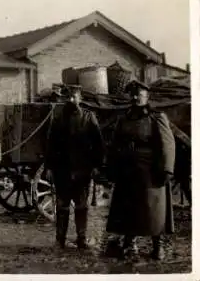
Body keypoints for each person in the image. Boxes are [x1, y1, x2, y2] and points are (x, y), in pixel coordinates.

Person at [105, 80, 175, 261]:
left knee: (154, 210)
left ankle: (158, 246)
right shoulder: (124, 119)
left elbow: (167, 144)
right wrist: (112, 168)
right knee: (128, 208)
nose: (135, 98)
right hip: (128, 171)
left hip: (150, 172)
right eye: (133, 95)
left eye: (139, 95)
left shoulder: (157, 117)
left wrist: (167, 169)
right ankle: (130, 244)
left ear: (147, 97)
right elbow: (115, 145)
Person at [45, 84, 105, 250]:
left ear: (80, 98)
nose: (71, 100)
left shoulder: (88, 117)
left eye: (74, 97)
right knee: (62, 206)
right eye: (68, 97)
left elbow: (98, 144)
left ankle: (81, 238)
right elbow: (50, 144)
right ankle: (60, 239)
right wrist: (49, 167)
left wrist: (96, 166)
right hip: (62, 170)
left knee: (81, 206)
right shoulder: (58, 118)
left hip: (82, 170)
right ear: (65, 99)